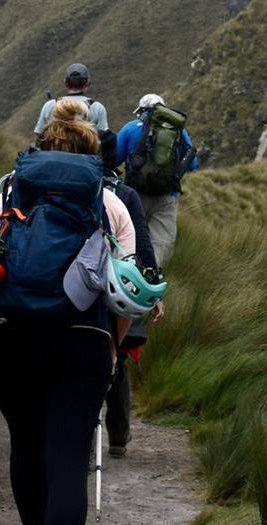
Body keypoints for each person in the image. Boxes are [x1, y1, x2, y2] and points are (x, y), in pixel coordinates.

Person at [0, 99, 134, 525]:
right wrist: (114, 350)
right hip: (83, 340)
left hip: (13, 337)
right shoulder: (110, 205)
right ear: (90, 154)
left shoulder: (4, 197)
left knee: (26, 445)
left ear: (40, 147)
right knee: (67, 458)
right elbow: (125, 294)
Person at [103, 172, 163, 458]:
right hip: (114, 287)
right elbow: (142, 244)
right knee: (116, 356)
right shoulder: (124, 195)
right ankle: (117, 436)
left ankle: (82, 443)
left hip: (70, 288)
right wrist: (154, 290)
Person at [115, 93, 197, 266]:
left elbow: (114, 159)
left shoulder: (130, 128)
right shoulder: (178, 131)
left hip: (135, 194)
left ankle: (128, 280)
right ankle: (154, 280)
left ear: (142, 110)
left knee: (130, 239)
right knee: (160, 245)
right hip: (167, 196)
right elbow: (192, 164)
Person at [35, 62, 109, 137]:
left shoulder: (49, 105)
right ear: (87, 83)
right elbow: (104, 138)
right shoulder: (97, 108)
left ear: (65, 83)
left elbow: (40, 134)